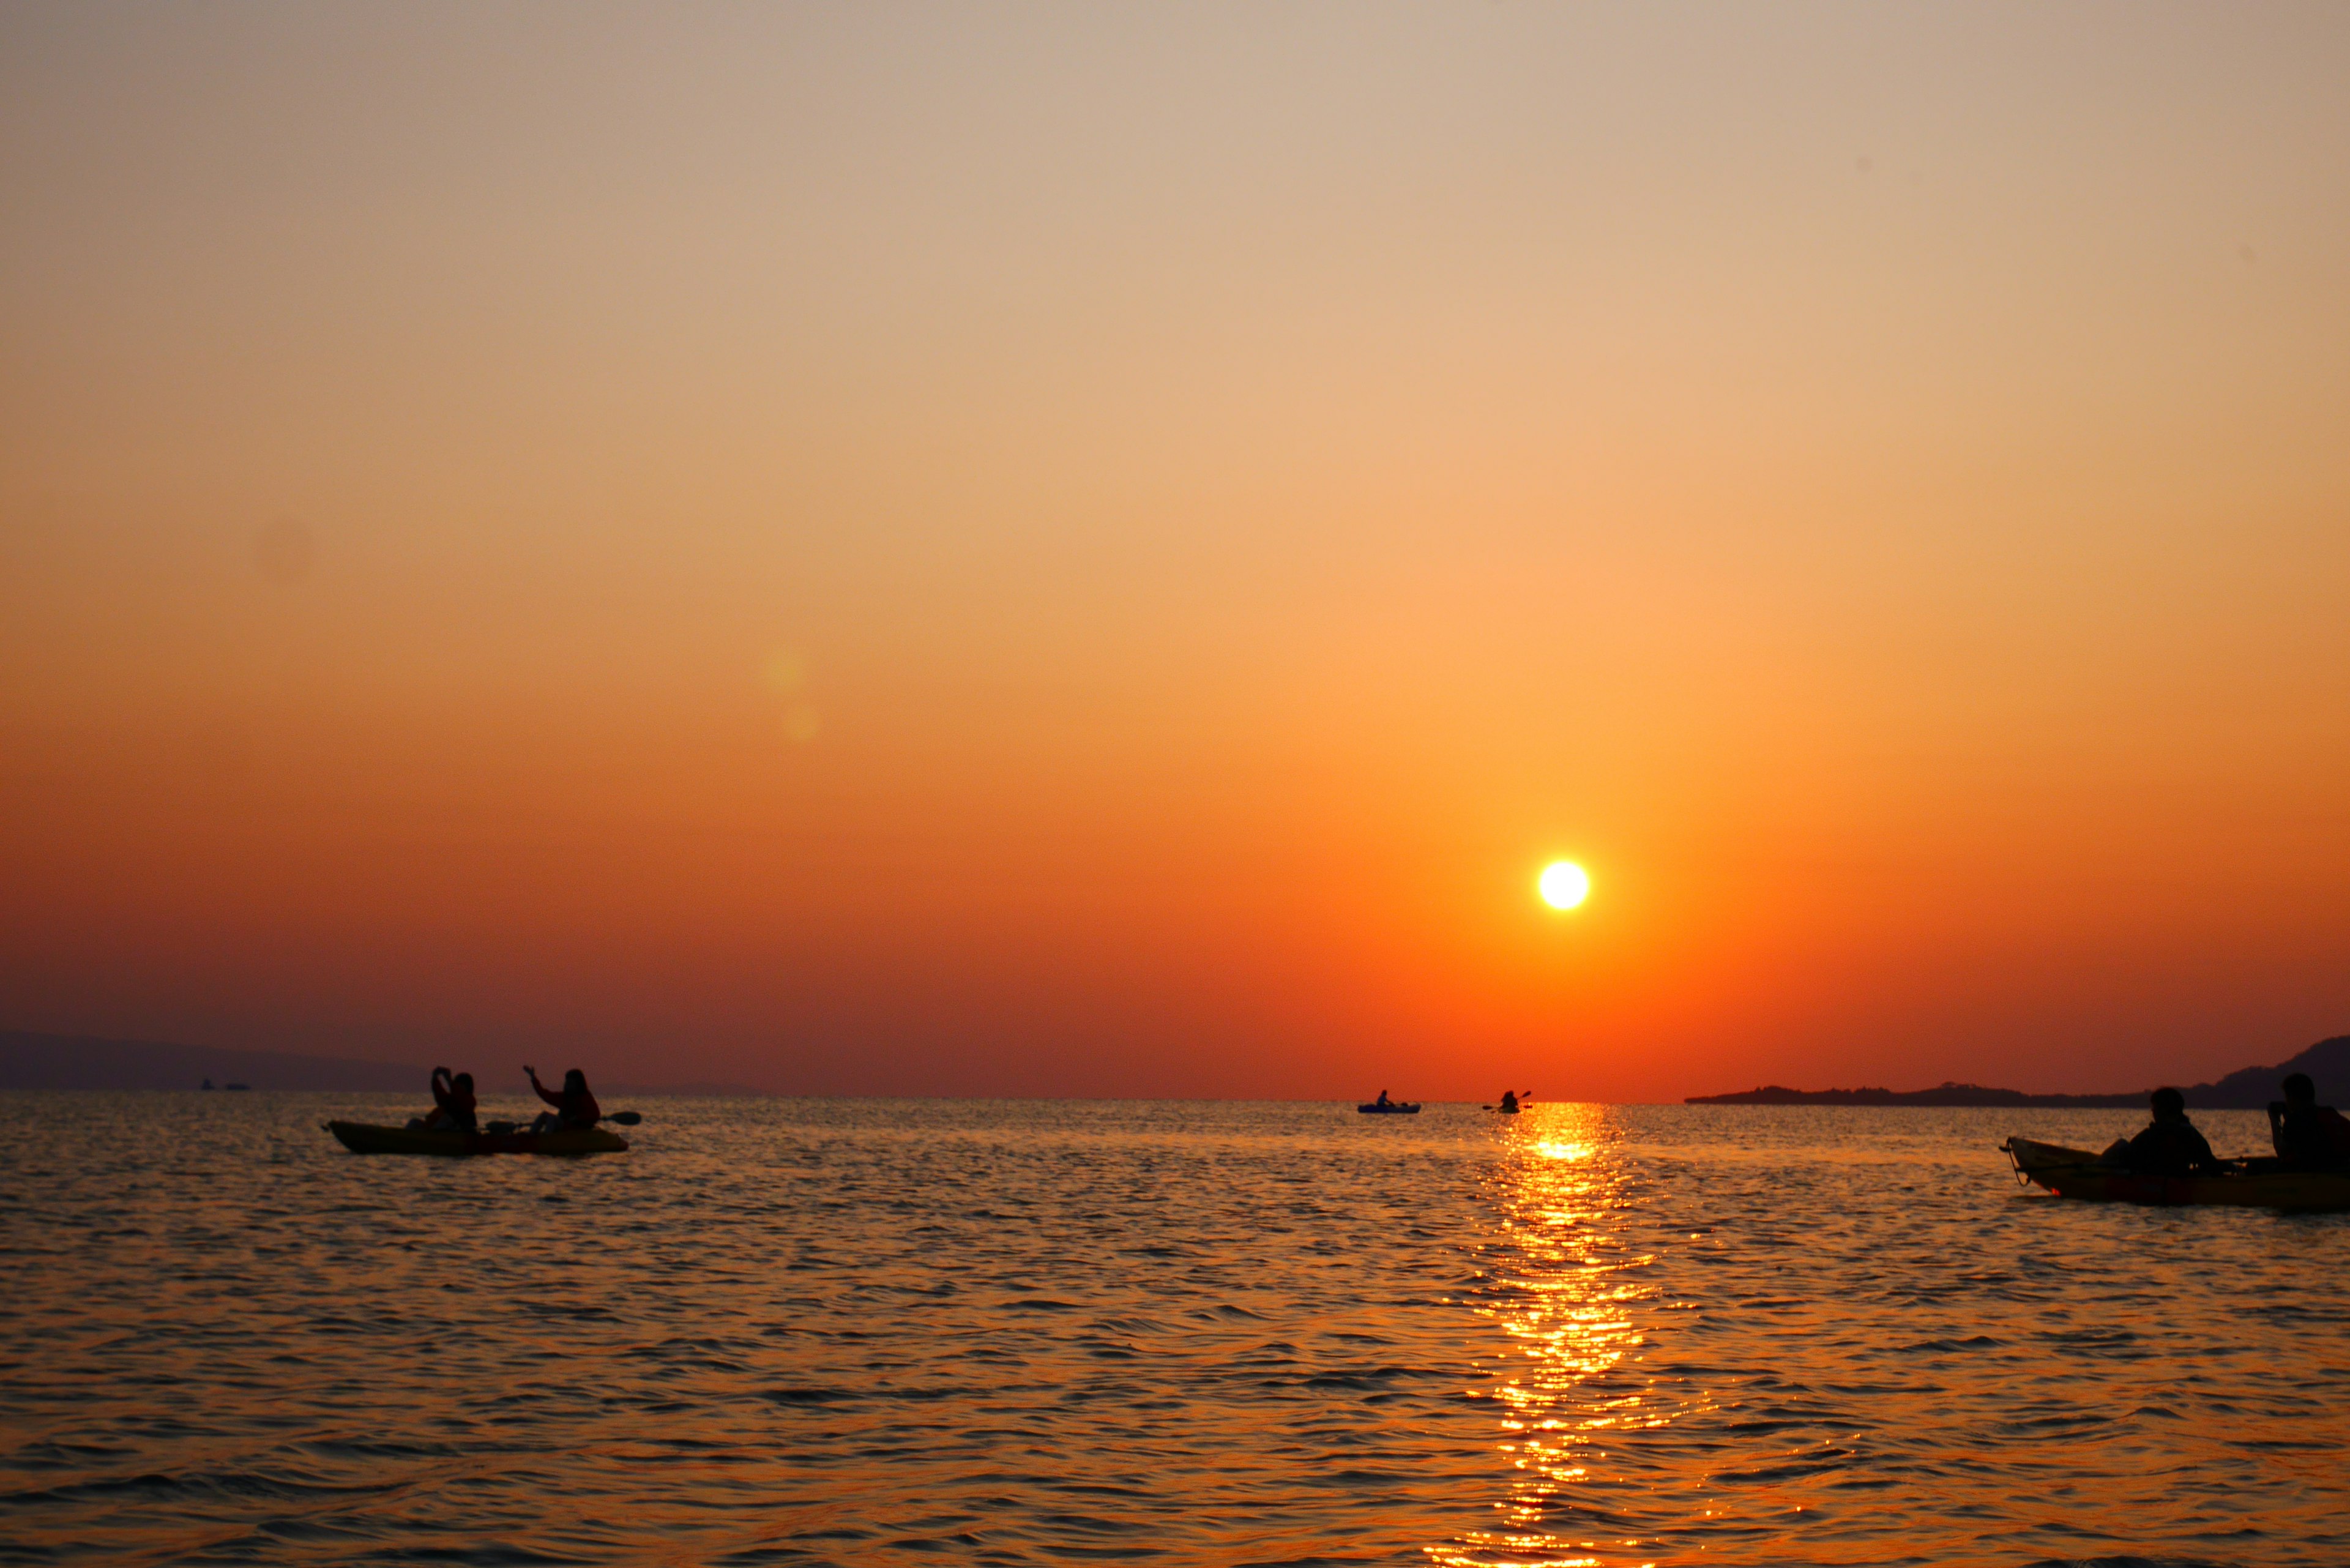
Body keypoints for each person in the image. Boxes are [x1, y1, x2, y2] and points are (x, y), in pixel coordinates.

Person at [2101, 1087, 2220, 1176]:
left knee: (2121, 1144)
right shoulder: (2192, 1134)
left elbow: (2130, 1158)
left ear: (2163, 1110)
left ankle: (2093, 1169)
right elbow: (2208, 1162)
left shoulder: (2151, 1134)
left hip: (2151, 1178)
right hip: (2178, 1175)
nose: (2152, 1112)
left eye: (2154, 1108)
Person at [2268, 1073, 2350, 1170]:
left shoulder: (2296, 1121)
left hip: (2310, 1173)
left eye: (2286, 1097)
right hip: (2340, 1169)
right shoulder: (2330, 1113)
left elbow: (2281, 1152)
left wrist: (2274, 1120)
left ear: (2292, 1097)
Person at [526, 1065, 600, 1134]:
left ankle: (547, 1139)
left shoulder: (586, 1097)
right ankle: (531, 1136)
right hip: (565, 1126)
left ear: (578, 1084)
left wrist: (578, 1117)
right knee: (544, 1115)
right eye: (567, 1082)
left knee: (551, 1119)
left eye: (571, 1083)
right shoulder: (564, 1097)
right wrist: (533, 1078)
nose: (567, 1085)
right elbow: (545, 1094)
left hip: (577, 1129)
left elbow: (596, 1115)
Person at [423, 1067, 477, 1133]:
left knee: (446, 1119)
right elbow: (440, 1096)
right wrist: (435, 1078)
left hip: (462, 1132)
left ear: (466, 1087)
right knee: (415, 1122)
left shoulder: (471, 1101)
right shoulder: (451, 1099)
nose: (458, 1087)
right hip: (446, 1132)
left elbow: (460, 1099)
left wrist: (449, 1080)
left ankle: (431, 1137)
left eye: (460, 1085)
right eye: (457, 1084)